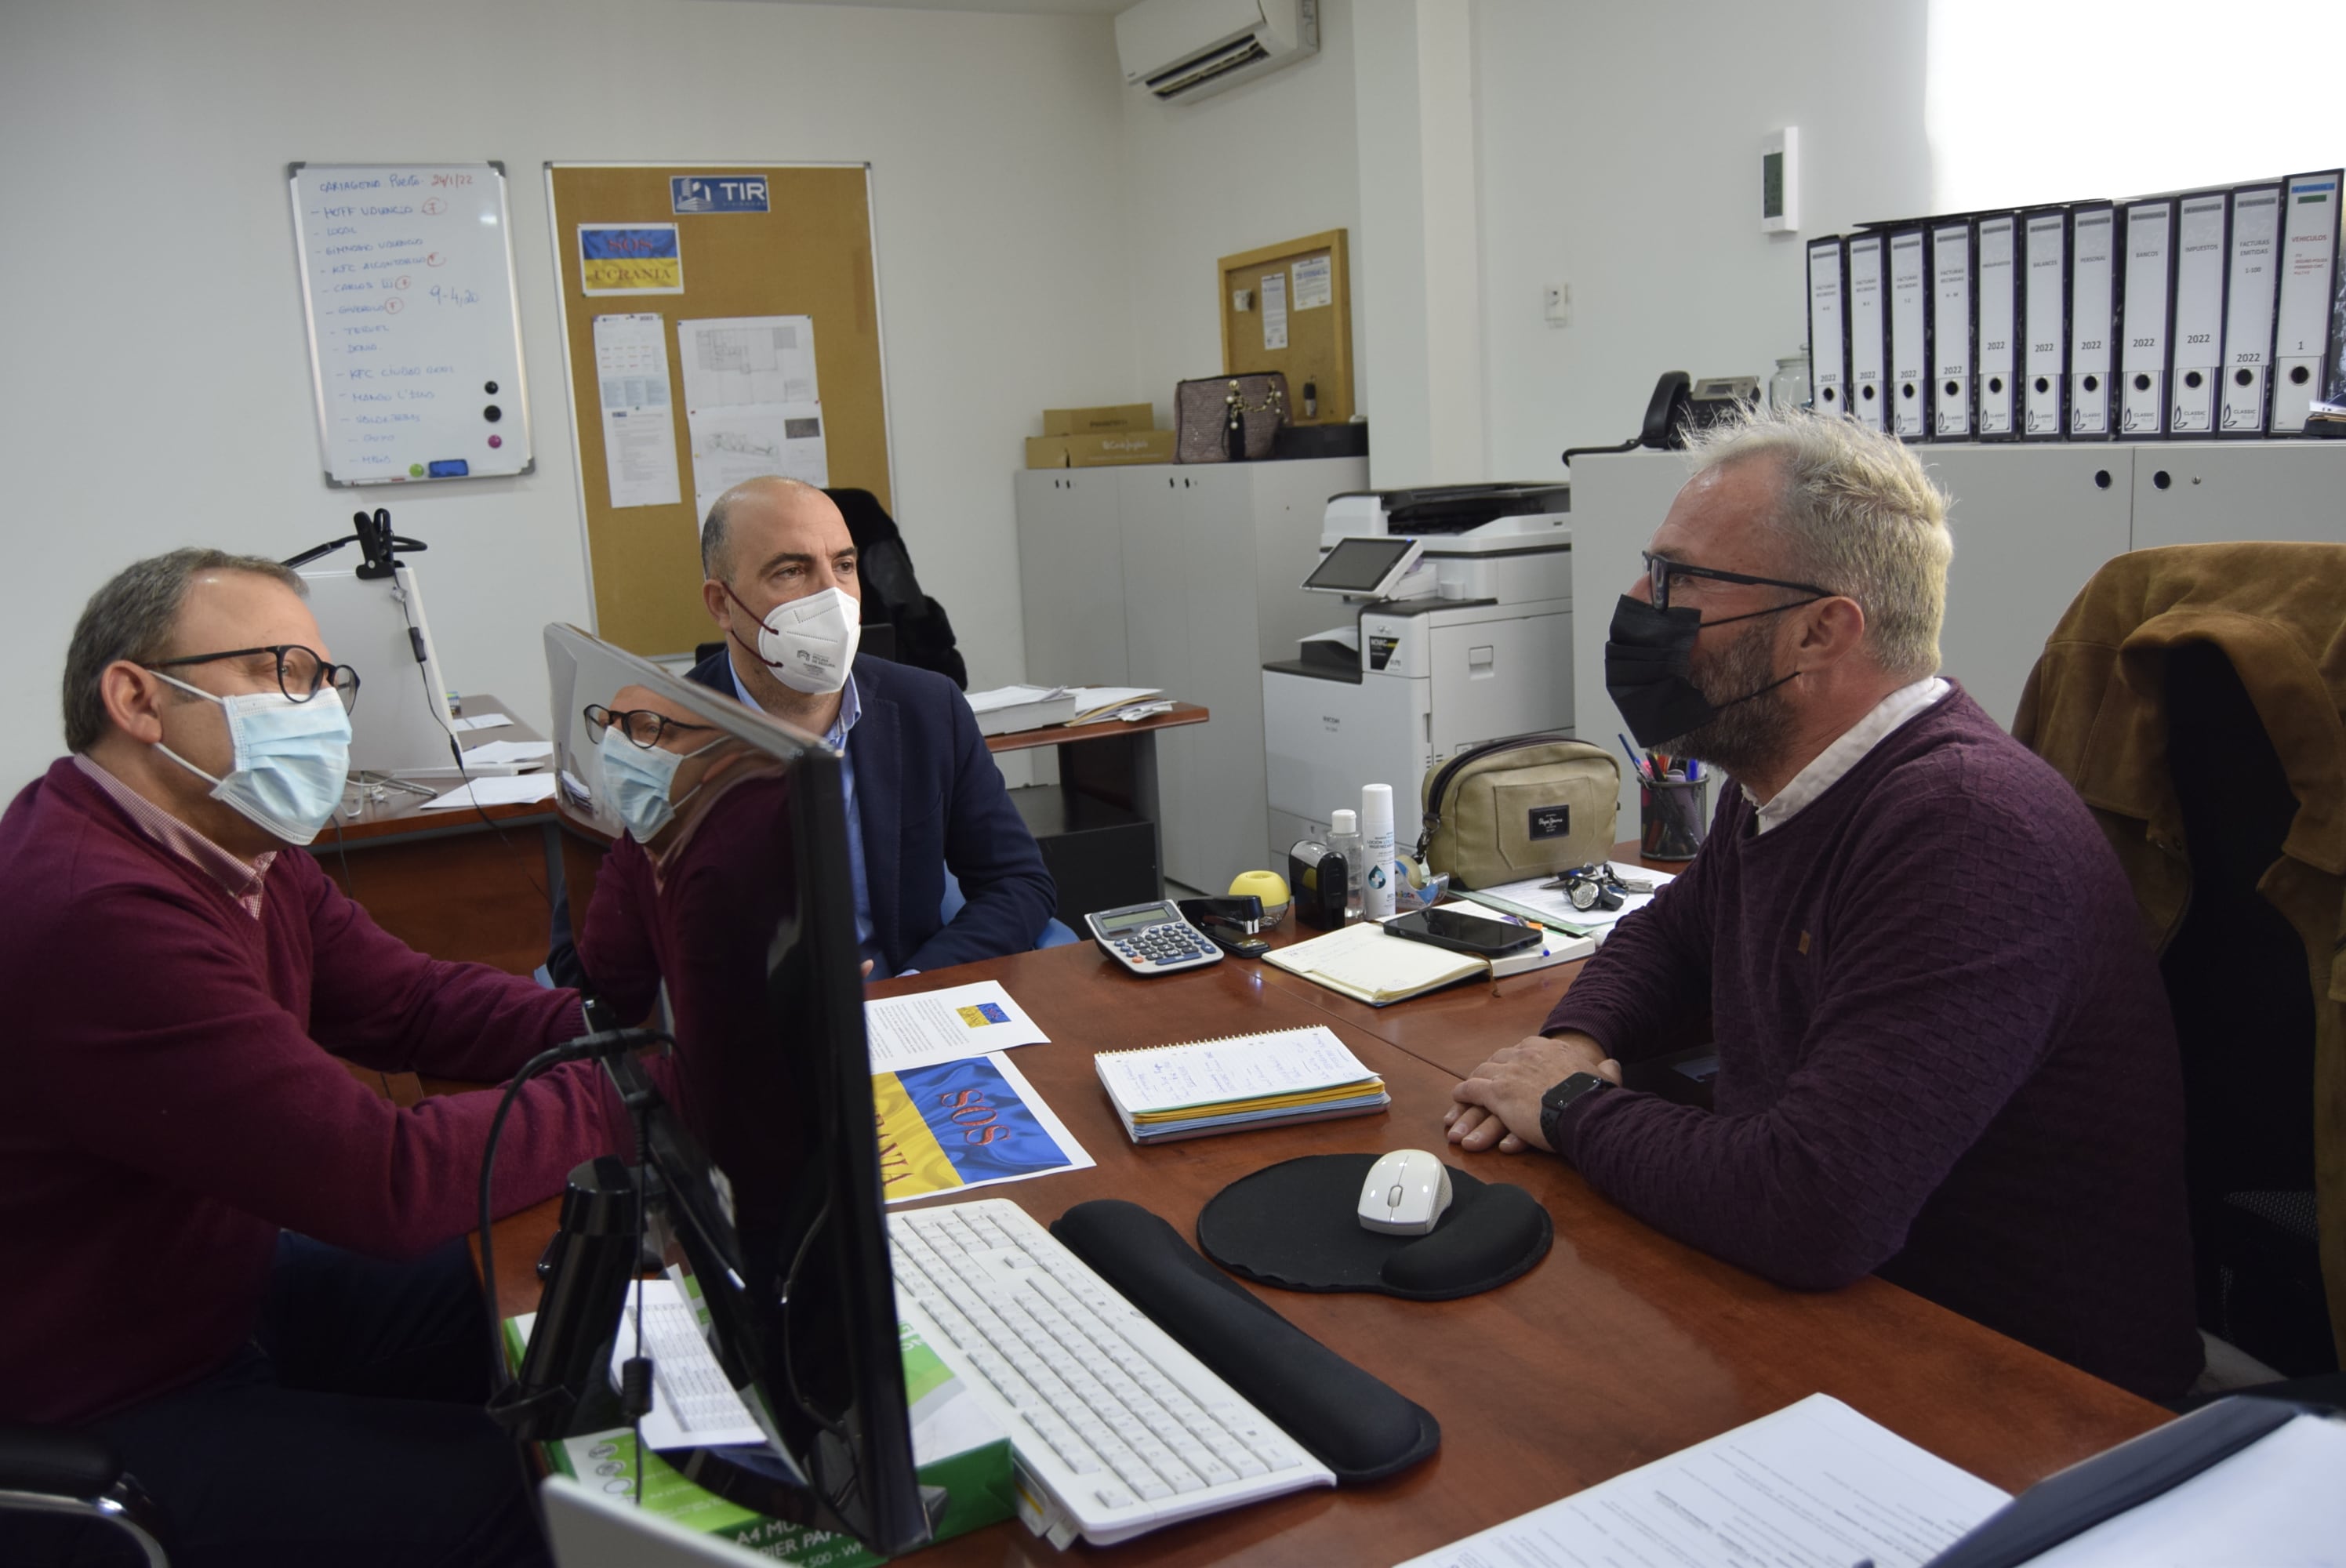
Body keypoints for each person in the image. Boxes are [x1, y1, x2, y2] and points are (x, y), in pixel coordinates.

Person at [1444, 409, 2204, 1402]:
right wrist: (1580, 1037)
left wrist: (1565, 1104)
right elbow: (1677, 935)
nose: (1638, 603)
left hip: (2029, 1400)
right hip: (1856, 1323)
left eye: (1678, 578)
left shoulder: (1966, 829)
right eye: (1648, 568)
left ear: (1820, 630)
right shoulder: (1782, 778)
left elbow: (1811, 1205)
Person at [0, 549, 628, 1567]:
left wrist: (625, 1028)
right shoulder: (95, 912)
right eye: (279, 671)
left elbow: (410, 1003)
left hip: (212, 1295)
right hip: (109, 1395)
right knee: (538, 1493)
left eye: (325, 678)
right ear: (137, 698)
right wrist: (628, 1094)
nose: (320, 708)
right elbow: (380, 1180)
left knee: (571, 1315)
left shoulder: (237, 847)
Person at [605, 476, 1052, 983]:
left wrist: (916, 984)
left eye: (843, 566)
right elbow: (595, 960)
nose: (832, 597)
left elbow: (1017, 882)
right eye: (792, 571)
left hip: (906, 1010)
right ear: (722, 605)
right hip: (747, 1033)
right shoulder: (658, 740)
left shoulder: (929, 707)